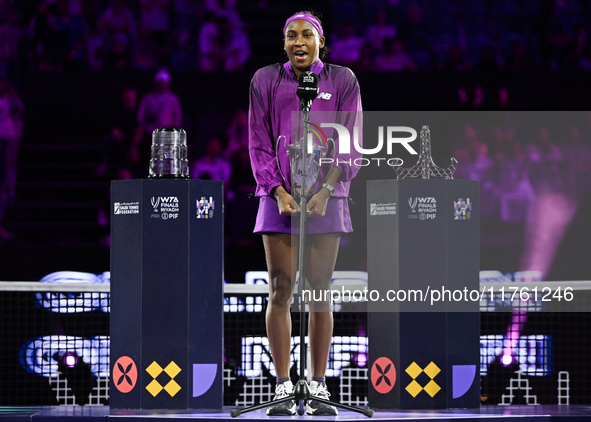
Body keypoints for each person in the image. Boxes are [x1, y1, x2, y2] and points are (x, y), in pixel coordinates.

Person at [248, 11, 362, 416]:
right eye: (292, 36)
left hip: (326, 199)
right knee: (280, 288)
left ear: (320, 41)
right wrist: (277, 191)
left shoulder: (343, 80)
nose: (299, 41)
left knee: (318, 291)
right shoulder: (265, 80)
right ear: (283, 44)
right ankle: (282, 385)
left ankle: (317, 386)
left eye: (307, 35)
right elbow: (258, 141)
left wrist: (327, 190)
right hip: (277, 198)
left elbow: (350, 141)